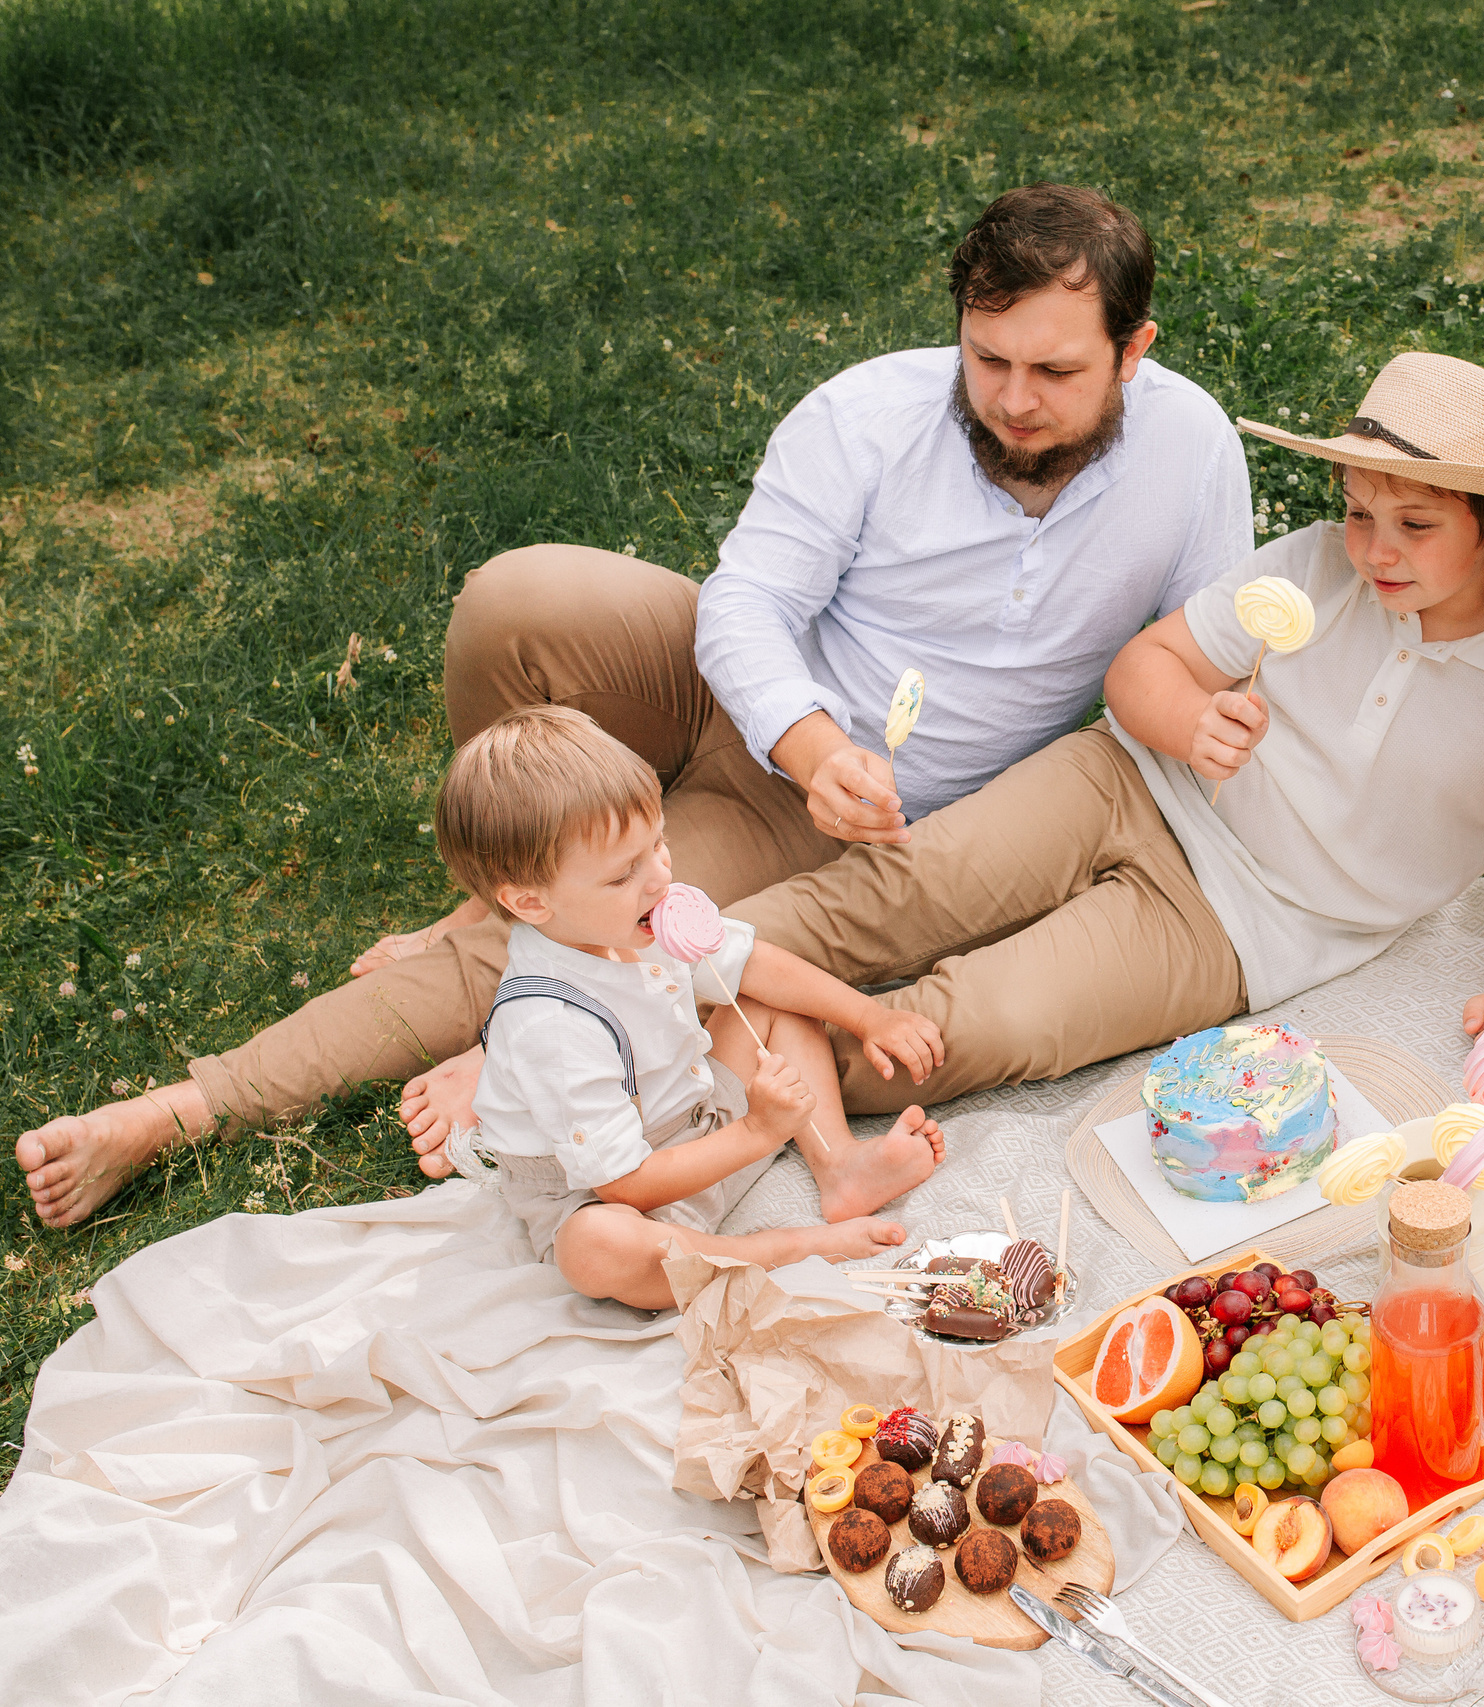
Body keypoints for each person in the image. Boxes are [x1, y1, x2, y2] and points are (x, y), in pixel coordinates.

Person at [18, 182, 1247, 1229]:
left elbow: (1203, 647)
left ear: (1134, 351)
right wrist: (811, 740)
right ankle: (505, 876)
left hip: (836, 822)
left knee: (575, 928)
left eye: (1055, 371)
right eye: (988, 360)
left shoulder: (1192, 455)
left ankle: (188, 1106)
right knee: (523, 598)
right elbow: (745, 603)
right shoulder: (871, 414)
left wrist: (1204, 712)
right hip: (755, 711)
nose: (1014, 399)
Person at [397, 351, 1484, 1144]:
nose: (1372, 547)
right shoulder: (1312, 570)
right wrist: (1191, 722)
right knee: (873, 900)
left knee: (971, 1027)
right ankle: (540, 1039)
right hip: (1123, 782)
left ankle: (650, 1092)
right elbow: (1144, 671)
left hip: (1245, 925)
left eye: (1414, 525)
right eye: (1359, 511)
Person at [431, 706, 942, 1307]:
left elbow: (753, 965)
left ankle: (840, 1168)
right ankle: (784, 1249)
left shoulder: (642, 921)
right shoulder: (551, 1025)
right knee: (594, 1248)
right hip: (610, 1191)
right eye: (624, 874)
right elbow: (622, 1186)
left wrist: (868, 1016)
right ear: (532, 902)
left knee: (770, 1003)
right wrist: (757, 1131)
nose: (659, 878)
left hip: (694, 1126)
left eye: (658, 844)